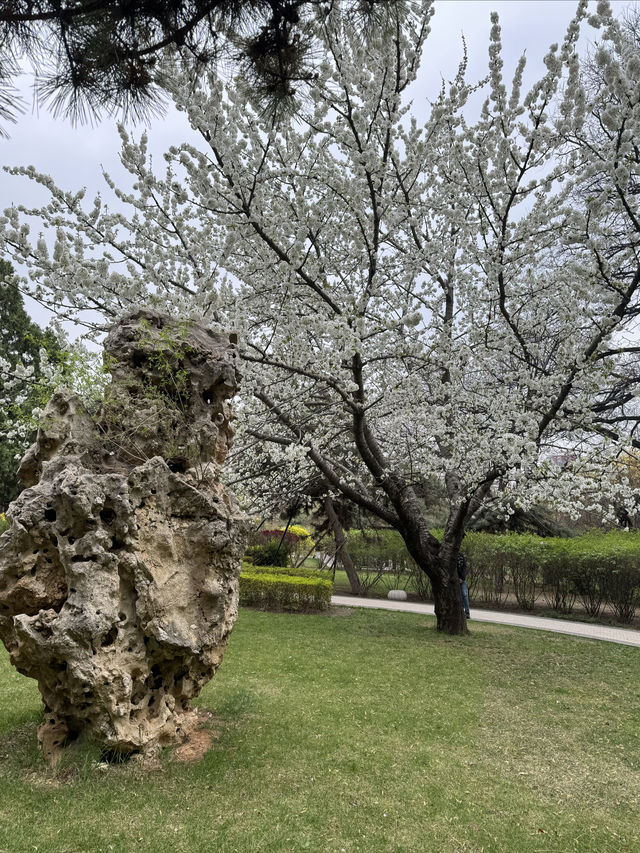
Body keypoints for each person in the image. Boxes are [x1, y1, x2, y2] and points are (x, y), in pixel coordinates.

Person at [457, 552, 470, 619]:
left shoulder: (461, 556)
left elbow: (464, 568)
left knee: (464, 595)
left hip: (462, 579)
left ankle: (467, 612)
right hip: (453, 579)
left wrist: (462, 578)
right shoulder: (449, 556)